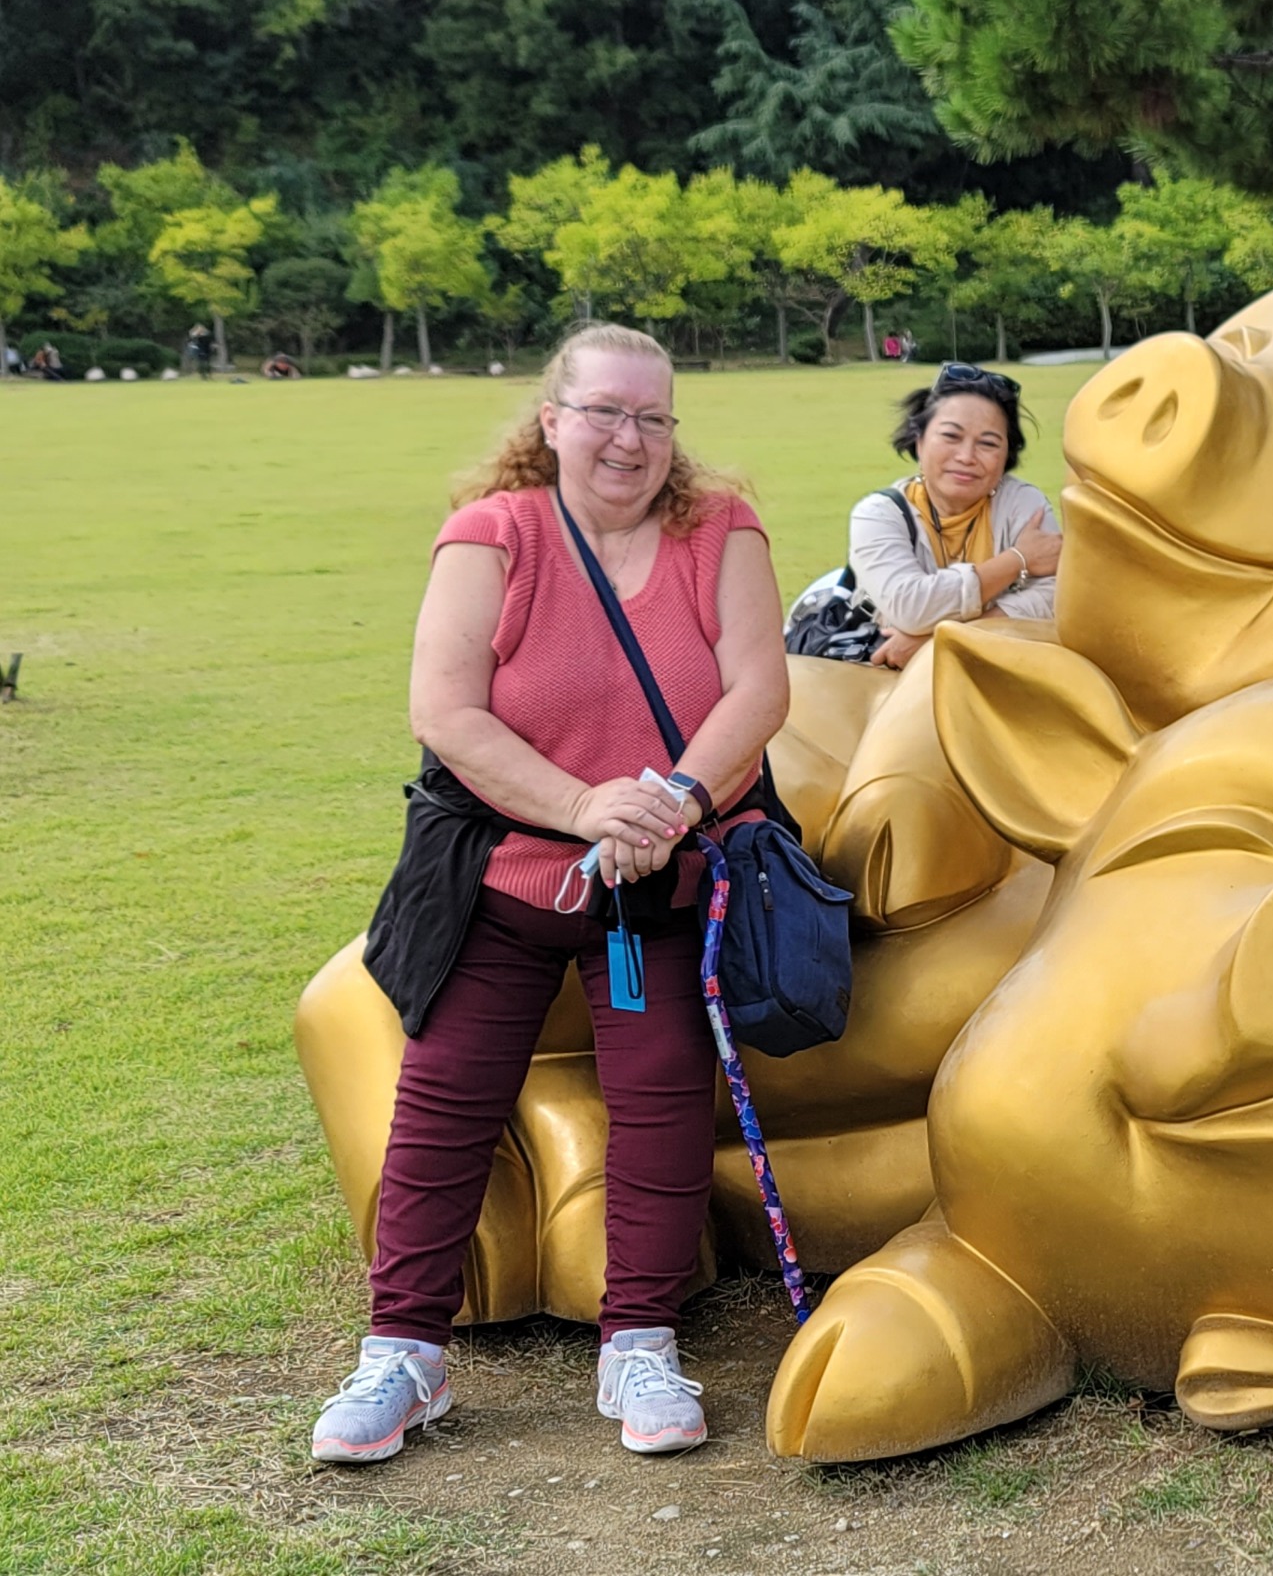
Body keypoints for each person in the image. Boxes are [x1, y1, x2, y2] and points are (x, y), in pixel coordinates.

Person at [313, 323, 788, 1465]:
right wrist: (586, 809)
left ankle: (640, 1339)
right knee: (441, 1097)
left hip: (662, 875)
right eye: (606, 412)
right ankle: (404, 1352)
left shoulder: (719, 527)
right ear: (552, 421)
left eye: (654, 417)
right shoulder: (494, 534)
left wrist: (667, 804)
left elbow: (759, 688)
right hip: (511, 869)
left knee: (663, 1092)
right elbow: (449, 713)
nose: (631, 439)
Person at [848, 362, 1061, 666]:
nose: (966, 457)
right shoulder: (877, 514)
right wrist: (1018, 559)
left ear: (1006, 457)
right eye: (950, 436)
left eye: (988, 443)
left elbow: (1055, 596)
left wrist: (938, 642)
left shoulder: (1022, 503)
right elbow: (910, 608)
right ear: (919, 442)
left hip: (990, 674)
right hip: (888, 679)